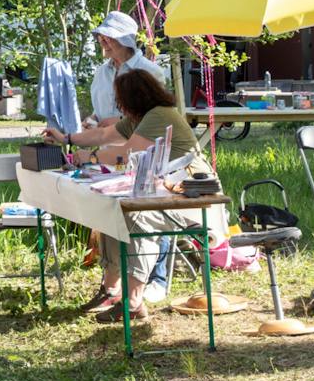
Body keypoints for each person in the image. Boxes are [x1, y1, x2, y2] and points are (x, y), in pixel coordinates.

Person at [46, 67, 223, 325]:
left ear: (134, 98)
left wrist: (91, 157)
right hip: (166, 191)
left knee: (137, 219)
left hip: (191, 195)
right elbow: (103, 135)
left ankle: (133, 301)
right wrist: (67, 138)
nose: (119, 105)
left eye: (121, 100)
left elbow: (127, 152)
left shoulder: (159, 115)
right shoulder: (139, 118)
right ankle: (111, 290)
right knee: (109, 210)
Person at [86, 12, 172, 302]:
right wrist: (91, 122)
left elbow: (153, 114)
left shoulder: (149, 71)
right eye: (101, 37)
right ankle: (118, 279)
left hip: (142, 149)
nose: (103, 42)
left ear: (124, 39)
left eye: (108, 37)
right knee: (112, 210)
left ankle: (157, 278)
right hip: (110, 154)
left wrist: (116, 123)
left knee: (148, 210)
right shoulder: (101, 73)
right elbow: (99, 111)